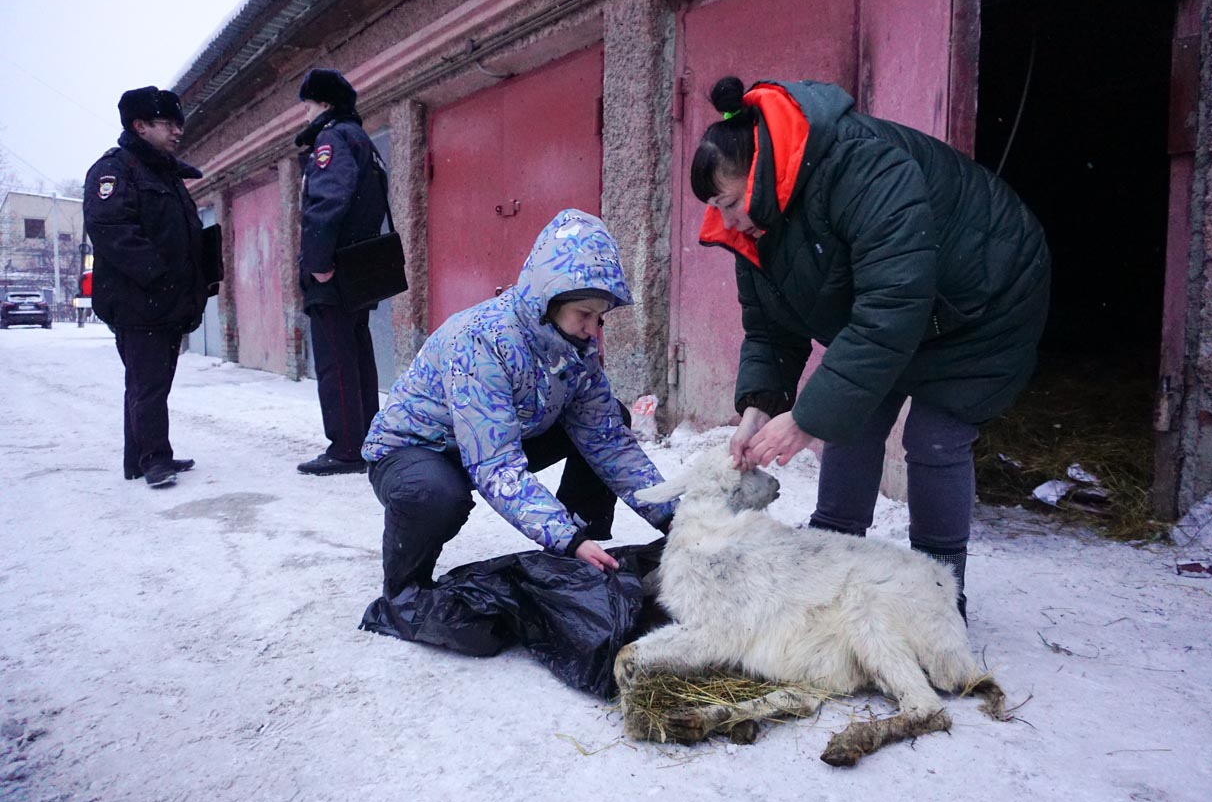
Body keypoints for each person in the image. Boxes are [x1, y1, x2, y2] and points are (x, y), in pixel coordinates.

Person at [692, 76, 1051, 619]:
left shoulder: (863, 168)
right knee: (852, 418)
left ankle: (936, 594)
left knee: (935, 439)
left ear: (761, 170)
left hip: (984, 298)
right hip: (901, 307)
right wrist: (757, 408)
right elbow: (769, 328)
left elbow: (892, 306)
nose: (726, 219)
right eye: (716, 206)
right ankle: (832, 557)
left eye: (730, 200)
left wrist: (804, 419)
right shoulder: (757, 222)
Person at [363, 209, 675, 598]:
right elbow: (496, 464)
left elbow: (608, 441)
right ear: (549, 301)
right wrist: (565, 537)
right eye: (584, 314)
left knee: (612, 417)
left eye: (600, 318)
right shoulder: (482, 341)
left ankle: (582, 552)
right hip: (417, 451)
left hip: (490, 439)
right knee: (436, 496)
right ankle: (405, 589)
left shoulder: (576, 348)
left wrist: (680, 519)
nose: (592, 329)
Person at [83, 86, 211, 489]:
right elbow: (111, 230)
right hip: (138, 300)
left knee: (148, 381)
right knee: (148, 383)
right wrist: (159, 275)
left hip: (166, 298)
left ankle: (140, 457)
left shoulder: (162, 172)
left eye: (179, 124)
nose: (177, 132)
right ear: (140, 126)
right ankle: (154, 459)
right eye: (168, 124)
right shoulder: (115, 170)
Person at [294, 68, 387, 476]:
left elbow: (328, 201)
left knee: (336, 360)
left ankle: (346, 447)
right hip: (359, 267)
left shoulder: (331, 140)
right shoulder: (360, 139)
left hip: (335, 269)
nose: (305, 117)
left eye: (309, 106)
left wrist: (318, 264)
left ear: (326, 104)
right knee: (357, 356)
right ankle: (366, 438)